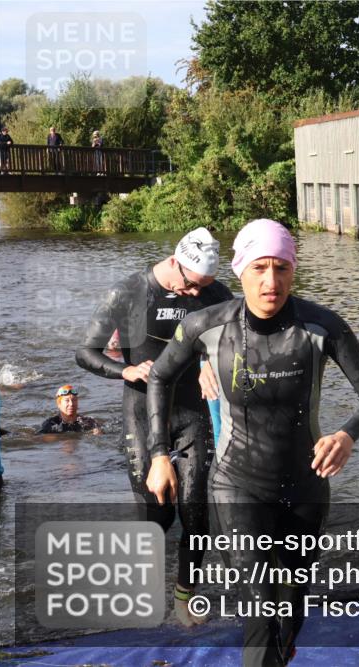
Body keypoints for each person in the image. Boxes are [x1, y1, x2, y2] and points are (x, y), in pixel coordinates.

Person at [146, 218, 359, 666]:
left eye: (281, 268)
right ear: (240, 270)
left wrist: (346, 433)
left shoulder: (322, 325)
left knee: (290, 606)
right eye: (260, 267)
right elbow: (160, 375)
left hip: (305, 485)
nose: (270, 281)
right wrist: (159, 454)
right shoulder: (207, 324)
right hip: (237, 485)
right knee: (261, 609)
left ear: (294, 271)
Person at [76, 227, 233, 626]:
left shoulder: (215, 294)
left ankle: (183, 600)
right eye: (192, 285)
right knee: (158, 515)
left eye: (205, 286)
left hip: (191, 412)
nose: (198, 294)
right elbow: (85, 352)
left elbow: (233, 343)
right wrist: (126, 368)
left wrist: (210, 363)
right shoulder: (129, 292)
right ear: (174, 264)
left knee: (197, 516)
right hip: (142, 412)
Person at [36, 385, 101, 434]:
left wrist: (98, 432)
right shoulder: (50, 424)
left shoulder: (88, 422)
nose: (71, 404)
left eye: (74, 400)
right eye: (67, 400)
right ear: (59, 404)